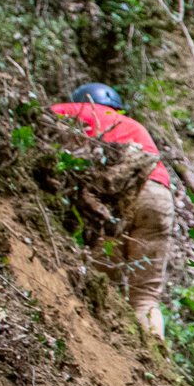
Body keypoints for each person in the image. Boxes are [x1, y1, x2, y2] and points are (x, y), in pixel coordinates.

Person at [50, 84, 174, 338]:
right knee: (146, 297)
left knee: (104, 283)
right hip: (159, 195)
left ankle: (104, 343)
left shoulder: (68, 112)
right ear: (117, 108)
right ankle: (157, 357)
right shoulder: (133, 125)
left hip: (116, 195)